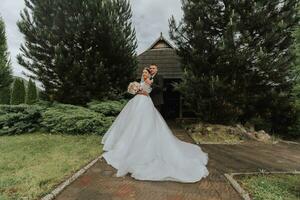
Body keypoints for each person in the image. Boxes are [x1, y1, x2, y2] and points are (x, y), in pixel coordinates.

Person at [101, 68, 209, 183]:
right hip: (137, 102)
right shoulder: (142, 81)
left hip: (144, 102)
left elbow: (147, 91)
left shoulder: (149, 81)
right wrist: (133, 88)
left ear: (149, 74)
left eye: (146, 72)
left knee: (144, 124)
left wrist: (139, 89)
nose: (144, 74)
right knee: (133, 123)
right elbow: (136, 90)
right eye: (143, 73)